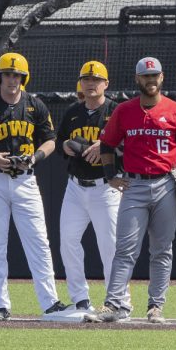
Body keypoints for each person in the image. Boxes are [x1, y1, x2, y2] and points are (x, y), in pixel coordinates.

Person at [85, 57, 176, 324]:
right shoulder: (125, 110)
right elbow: (107, 144)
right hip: (134, 184)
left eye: (154, 76)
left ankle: (155, 306)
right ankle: (114, 304)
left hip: (167, 184)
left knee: (162, 249)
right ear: (137, 79)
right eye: (145, 76)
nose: (150, 80)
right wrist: (110, 177)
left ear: (161, 78)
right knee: (126, 248)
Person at [0, 52, 68, 320]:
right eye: (8, 74)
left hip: (25, 180)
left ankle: (50, 302)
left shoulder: (35, 105)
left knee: (39, 242)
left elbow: (50, 140)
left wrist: (35, 157)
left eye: (17, 75)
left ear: (24, 78)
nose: (12, 79)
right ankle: (1, 304)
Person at [57, 61, 127, 312]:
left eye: (96, 79)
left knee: (110, 245)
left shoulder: (117, 111)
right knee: (68, 241)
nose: (90, 83)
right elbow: (59, 142)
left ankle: (118, 301)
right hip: (75, 187)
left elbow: (129, 145)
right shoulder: (73, 112)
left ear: (106, 84)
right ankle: (80, 300)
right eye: (86, 79)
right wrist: (65, 145)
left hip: (105, 186)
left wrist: (105, 146)